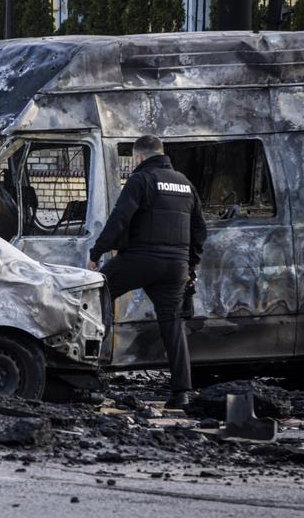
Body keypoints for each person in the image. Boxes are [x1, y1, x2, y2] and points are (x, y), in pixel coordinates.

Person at [88, 134, 207, 409]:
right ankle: (181, 394)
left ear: (139, 157)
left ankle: (88, 375)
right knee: (172, 325)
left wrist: (96, 254)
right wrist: (190, 265)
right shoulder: (185, 184)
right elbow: (200, 230)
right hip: (175, 266)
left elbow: (120, 219)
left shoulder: (141, 180)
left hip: (141, 259)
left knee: (96, 297)